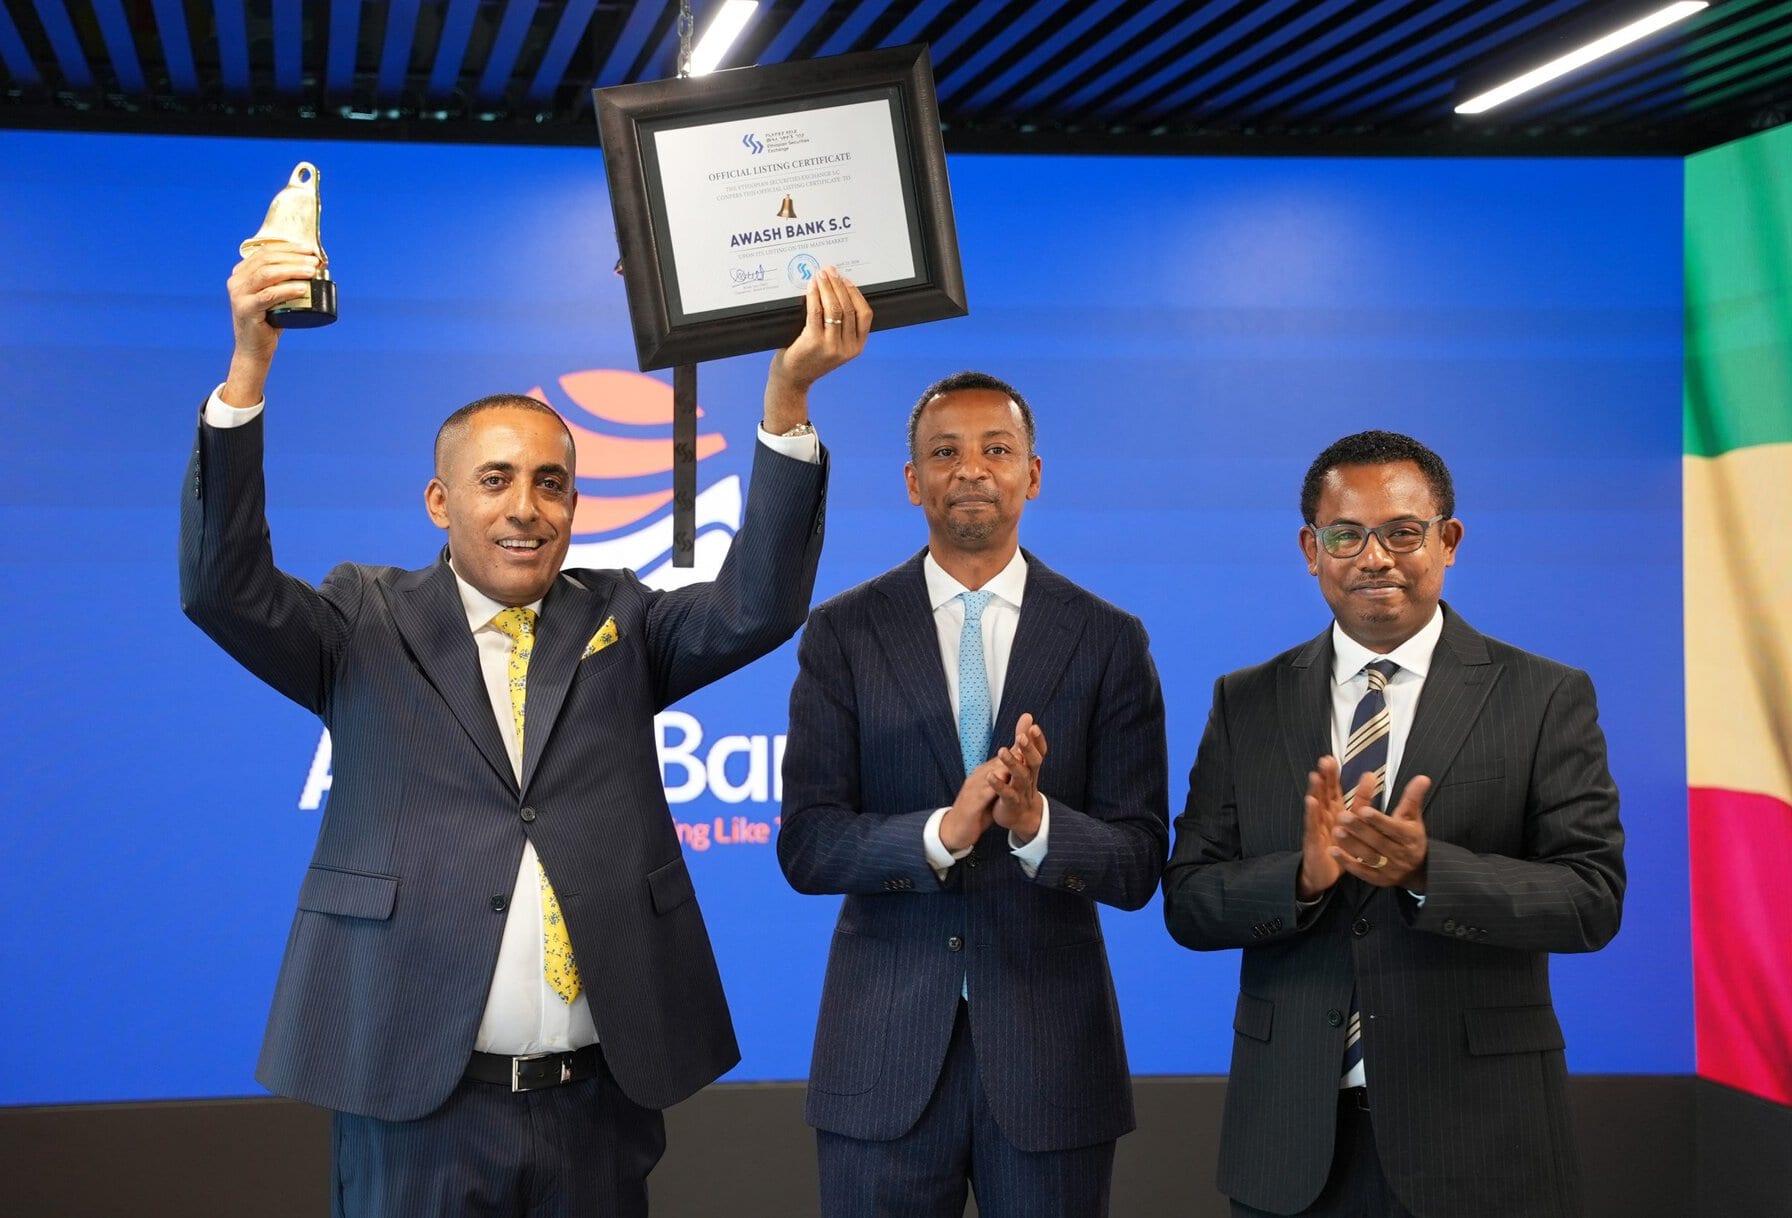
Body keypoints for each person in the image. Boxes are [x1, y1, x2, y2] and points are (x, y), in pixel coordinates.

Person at [180, 238, 870, 1215]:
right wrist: (248, 373)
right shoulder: (360, 621)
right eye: (496, 480)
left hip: (596, 1107)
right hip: (413, 1103)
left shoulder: (622, 621)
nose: (527, 508)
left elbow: (756, 606)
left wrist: (787, 405)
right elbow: (224, 587)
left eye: (551, 484)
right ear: (440, 501)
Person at [1164, 430, 1626, 1218]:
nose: (1374, 557)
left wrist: (1427, 872)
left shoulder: (1544, 695)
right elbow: (1190, 901)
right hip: (1290, 1143)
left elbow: (1590, 900)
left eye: (1403, 532)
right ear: (1312, 549)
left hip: (1483, 1139)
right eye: (1346, 535)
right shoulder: (1247, 701)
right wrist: (1303, 878)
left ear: (1449, 540)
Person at [776, 371, 1167, 1217]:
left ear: (1033, 474)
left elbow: (1139, 862)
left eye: (998, 449)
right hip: (879, 1063)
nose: (972, 469)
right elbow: (807, 844)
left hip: (1053, 1064)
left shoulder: (1108, 639)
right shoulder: (843, 633)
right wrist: (939, 836)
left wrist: (1038, 826)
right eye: (945, 452)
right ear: (914, 481)